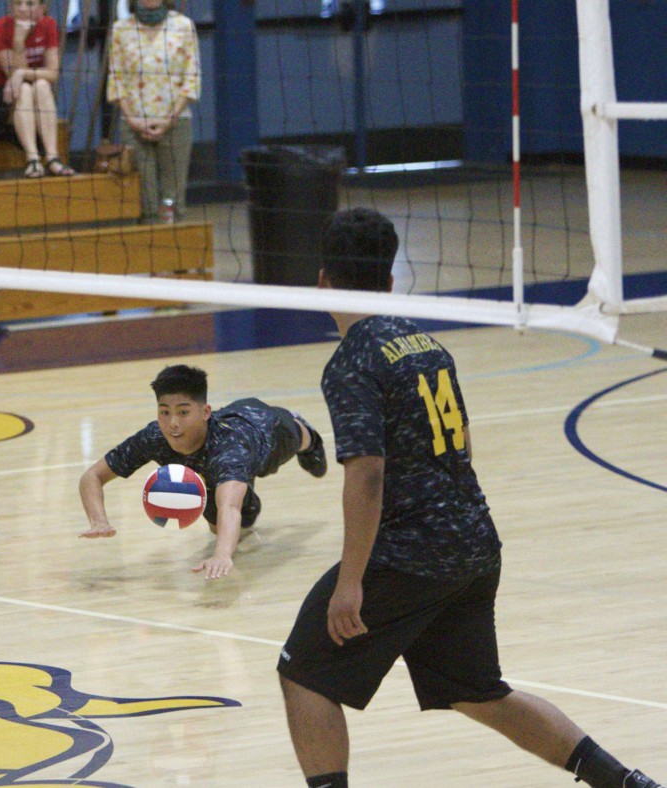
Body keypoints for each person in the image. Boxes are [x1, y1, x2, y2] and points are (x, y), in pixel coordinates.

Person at [276, 207, 662, 788]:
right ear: (388, 279)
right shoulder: (427, 343)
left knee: (304, 673)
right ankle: (625, 782)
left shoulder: (352, 360)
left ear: (323, 278)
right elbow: (464, 448)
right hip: (474, 543)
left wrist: (351, 581)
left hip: (410, 553)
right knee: (478, 694)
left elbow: (367, 475)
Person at [79, 364, 327, 579]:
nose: (173, 422)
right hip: (223, 464)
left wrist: (221, 554)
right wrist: (98, 520)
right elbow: (92, 476)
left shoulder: (229, 449)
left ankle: (307, 433)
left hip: (265, 428)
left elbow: (229, 508)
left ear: (205, 412)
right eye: (165, 412)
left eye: (183, 412)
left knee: (299, 439)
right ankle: (245, 495)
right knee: (228, 522)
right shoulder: (154, 437)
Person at [106, 0, 200, 223]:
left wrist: (169, 118)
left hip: (176, 123)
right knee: (143, 201)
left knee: (173, 200)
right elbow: (115, 80)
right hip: (133, 124)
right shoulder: (121, 30)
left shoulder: (184, 26)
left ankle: (176, 253)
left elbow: (192, 78)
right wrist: (133, 119)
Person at [0, 0, 75, 178]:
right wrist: (18, 41)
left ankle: (52, 158)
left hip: (34, 92)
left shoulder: (48, 25)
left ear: (42, 7)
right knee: (24, 88)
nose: (22, 9)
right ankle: (33, 159)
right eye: (18, 3)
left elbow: (53, 73)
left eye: (30, 4)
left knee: (41, 85)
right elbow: (11, 74)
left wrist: (22, 72)